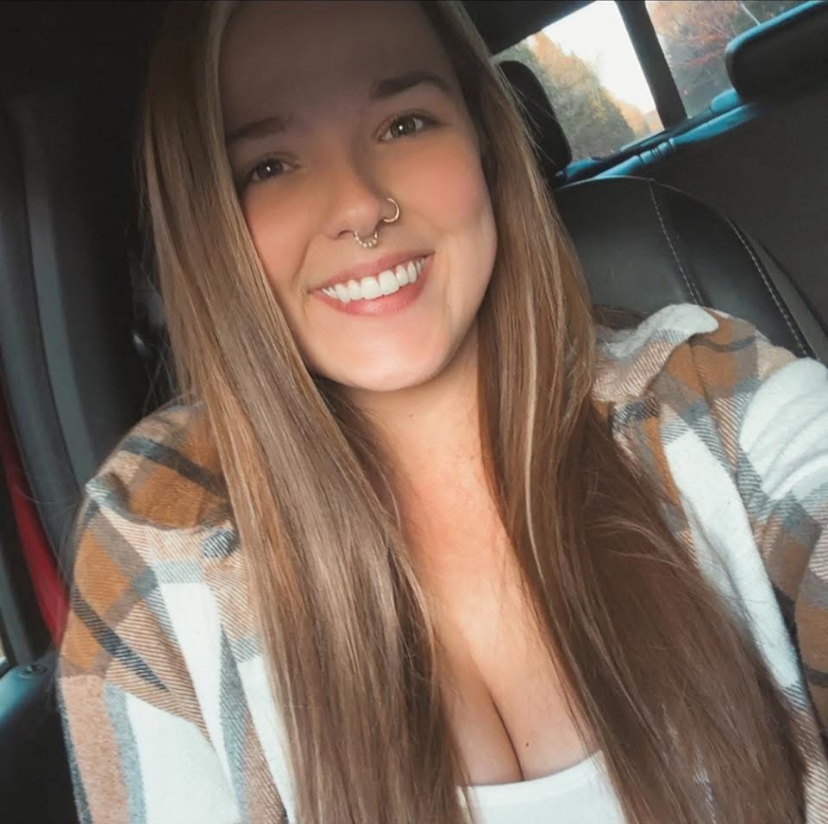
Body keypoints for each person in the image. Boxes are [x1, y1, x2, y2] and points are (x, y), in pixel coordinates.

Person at [55, 1, 828, 823]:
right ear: (206, 226)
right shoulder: (157, 542)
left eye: (405, 124)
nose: (359, 206)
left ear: (486, 142)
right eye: (269, 166)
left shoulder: (709, 390)